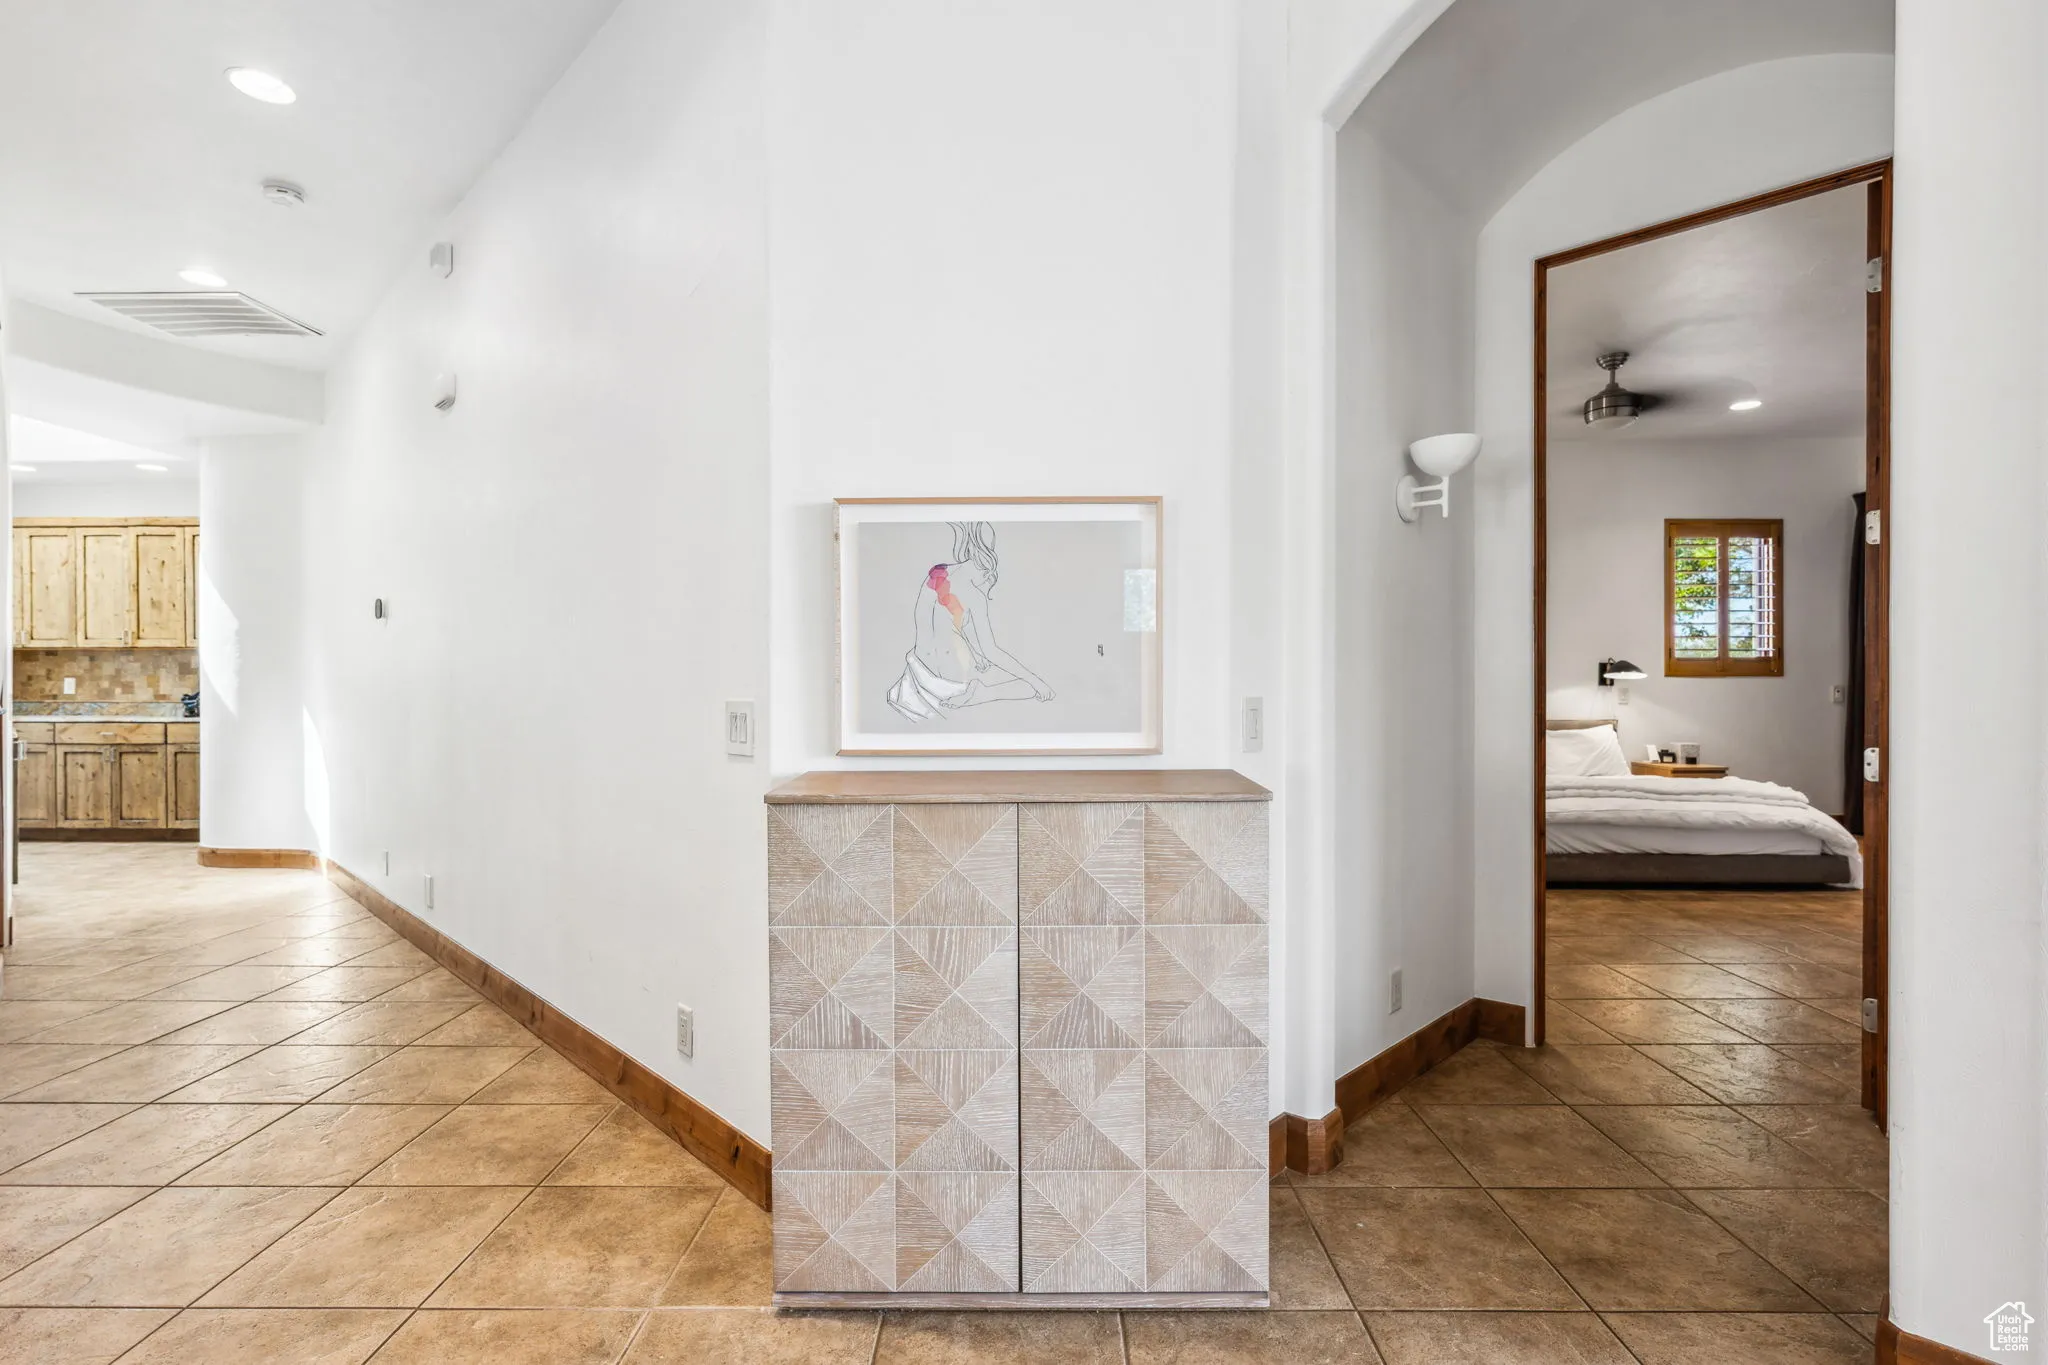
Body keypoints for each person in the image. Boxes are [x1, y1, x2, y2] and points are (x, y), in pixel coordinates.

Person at [886, 521, 1055, 721]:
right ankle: (982, 694)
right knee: (1029, 686)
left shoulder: (937, 573)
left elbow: (947, 620)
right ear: (988, 559)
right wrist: (1037, 681)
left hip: (916, 670)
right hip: (949, 684)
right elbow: (992, 651)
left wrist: (975, 654)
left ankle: (980, 690)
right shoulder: (975, 596)